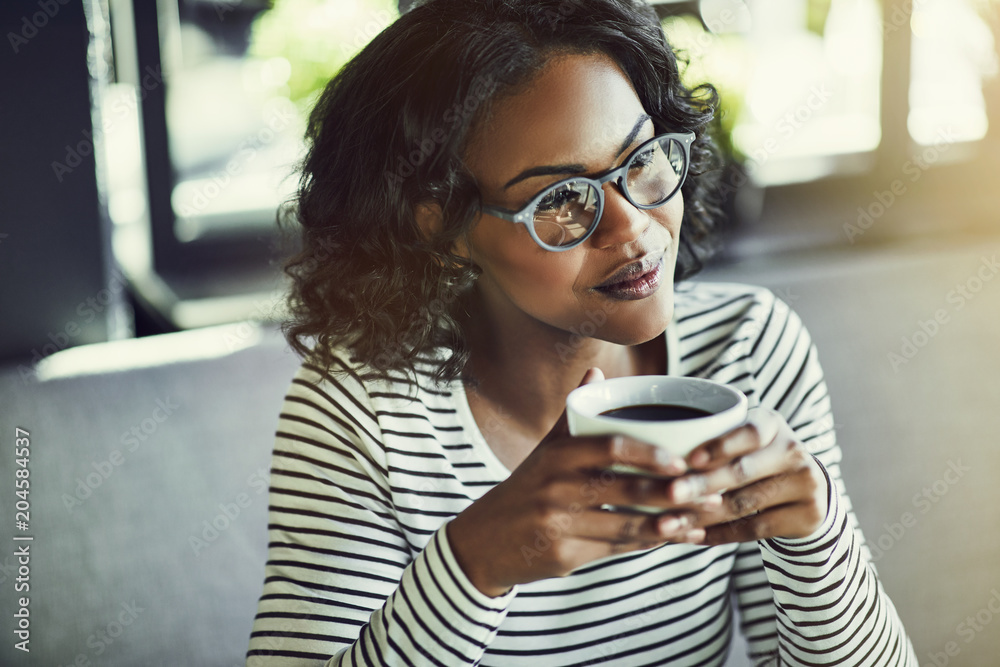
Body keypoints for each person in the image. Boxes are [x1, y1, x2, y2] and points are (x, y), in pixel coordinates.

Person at [247, 0, 917, 664]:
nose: (631, 227)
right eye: (562, 199)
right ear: (443, 230)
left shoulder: (746, 349)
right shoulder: (359, 410)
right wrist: (472, 563)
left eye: (643, 159)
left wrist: (818, 539)